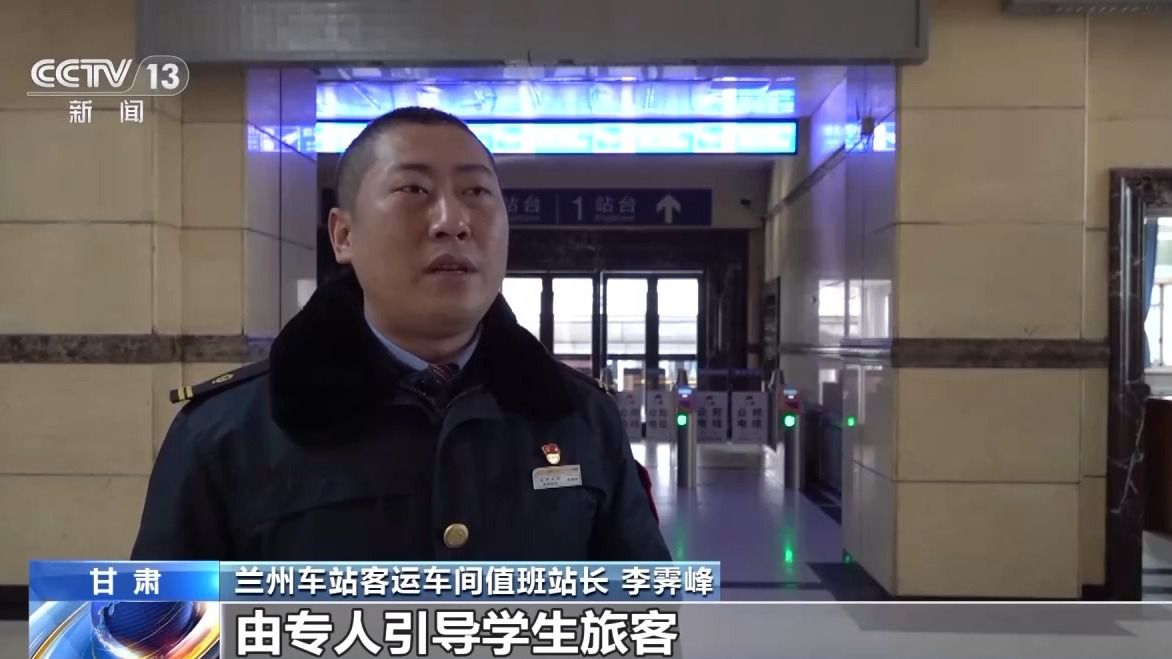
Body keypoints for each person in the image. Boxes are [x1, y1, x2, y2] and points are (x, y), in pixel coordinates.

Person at [131, 107, 670, 562]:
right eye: (414, 189)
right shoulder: (225, 434)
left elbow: (654, 622)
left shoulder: (581, 417)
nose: (452, 220)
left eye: (476, 191)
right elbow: (151, 635)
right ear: (344, 235)